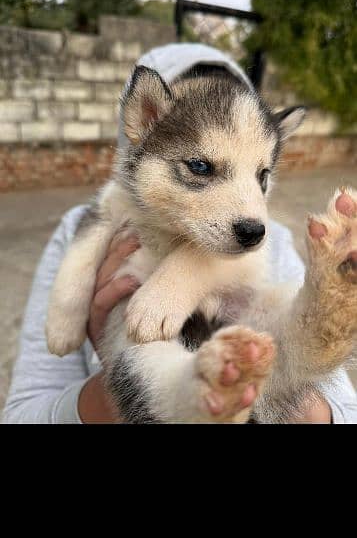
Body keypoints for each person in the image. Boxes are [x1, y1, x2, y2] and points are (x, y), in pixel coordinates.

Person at [2, 45, 357, 424]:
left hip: (252, 349)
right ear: (146, 120)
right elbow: (22, 412)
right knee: (140, 346)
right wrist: (70, 307)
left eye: (261, 175)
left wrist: (185, 273)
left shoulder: (278, 239)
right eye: (201, 166)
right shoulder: (109, 204)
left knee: (278, 307)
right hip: (165, 375)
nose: (253, 216)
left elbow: (344, 413)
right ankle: (197, 396)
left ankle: (320, 318)